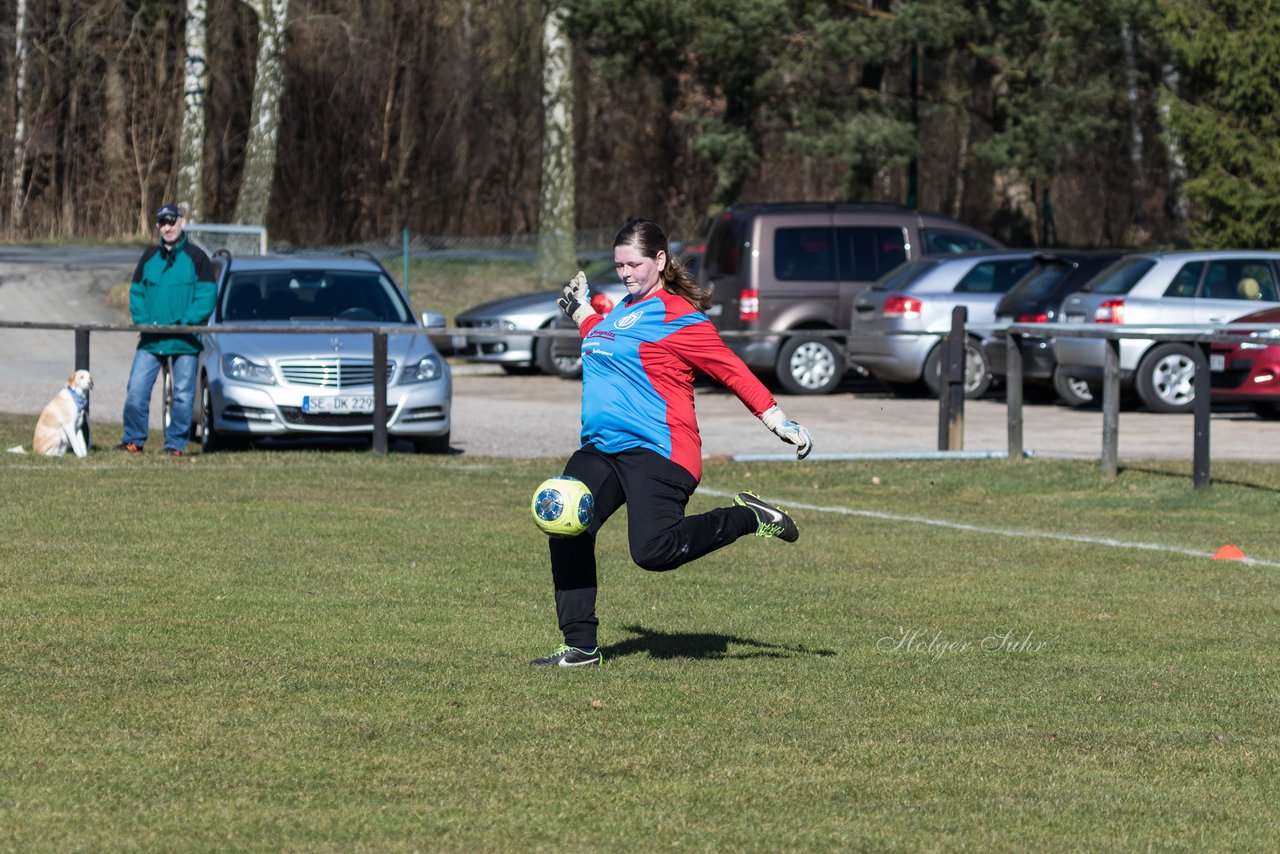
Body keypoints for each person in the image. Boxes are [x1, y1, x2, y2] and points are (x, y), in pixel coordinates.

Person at [531, 218, 814, 668]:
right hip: (602, 448)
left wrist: (776, 418)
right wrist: (583, 313)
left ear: (660, 261)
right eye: (619, 264)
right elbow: (606, 341)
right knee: (566, 525)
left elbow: (732, 369)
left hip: (658, 450)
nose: (625, 273)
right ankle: (580, 646)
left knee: (653, 552)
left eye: (634, 264)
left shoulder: (681, 318)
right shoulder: (622, 310)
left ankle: (747, 518)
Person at [116, 203, 217, 456]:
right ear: (157, 226)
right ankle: (133, 441)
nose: (168, 227)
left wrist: (186, 322)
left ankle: (175, 445)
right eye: (162, 222)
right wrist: (144, 321)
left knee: (183, 395)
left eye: (172, 221)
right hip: (151, 340)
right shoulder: (149, 257)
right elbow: (137, 293)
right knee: (136, 390)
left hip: (185, 340)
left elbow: (206, 296)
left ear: (182, 222)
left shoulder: (197, 258)